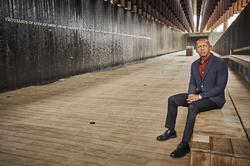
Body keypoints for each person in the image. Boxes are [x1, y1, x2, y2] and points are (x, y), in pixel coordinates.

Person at [156, 38, 228, 158]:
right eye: (199, 46)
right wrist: (190, 94)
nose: (202, 48)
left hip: (214, 98)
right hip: (198, 94)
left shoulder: (220, 63)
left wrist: (199, 96)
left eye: (205, 45)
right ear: (196, 50)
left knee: (193, 107)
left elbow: (220, 88)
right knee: (172, 99)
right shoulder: (194, 65)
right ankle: (171, 130)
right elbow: (192, 83)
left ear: (210, 47)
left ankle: (185, 144)